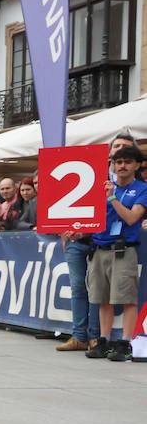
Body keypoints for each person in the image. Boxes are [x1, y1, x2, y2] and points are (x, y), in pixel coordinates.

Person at [59, 133, 134, 351]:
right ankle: (78, 335)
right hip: (77, 239)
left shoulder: (130, 182)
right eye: (117, 147)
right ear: (110, 153)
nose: (120, 150)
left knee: (97, 292)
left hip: (102, 242)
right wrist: (65, 229)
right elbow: (66, 204)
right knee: (77, 288)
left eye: (125, 148)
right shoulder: (91, 171)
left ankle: (95, 337)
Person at [84, 144, 147, 361]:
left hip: (123, 248)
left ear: (137, 165)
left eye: (127, 162)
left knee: (127, 298)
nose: (122, 166)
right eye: (118, 162)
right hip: (99, 247)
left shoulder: (142, 188)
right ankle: (104, 340)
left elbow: (131, 218)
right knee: (103, 298)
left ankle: (125, 343)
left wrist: (112, 198)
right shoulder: (102, 186)